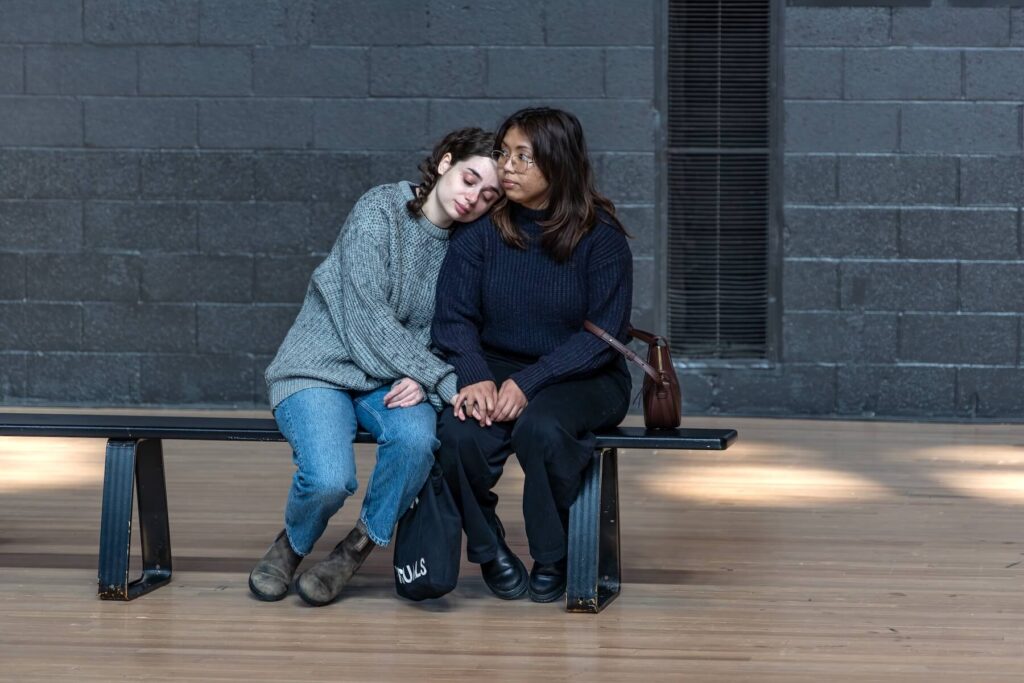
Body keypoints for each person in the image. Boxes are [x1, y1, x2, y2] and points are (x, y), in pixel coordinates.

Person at [249, 128, 501, 606]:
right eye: (470, 179)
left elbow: (459, 328)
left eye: (488, 195)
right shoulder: (380, 209)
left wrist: (423, 377)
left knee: (416, 441)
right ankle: (292, 545)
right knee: (328, 479)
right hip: (320, 368)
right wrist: (439, 380)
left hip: (395, 379)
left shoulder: (469, 248)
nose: (474, 199)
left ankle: (355, 549)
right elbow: (367, 317)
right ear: (446, 163)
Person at [431, 107, 633, 603]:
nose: (509, 166)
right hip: (497, 366)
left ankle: (554, 553)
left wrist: (531, 382)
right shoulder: (480, 233)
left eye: (524, 156)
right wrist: (475, 375)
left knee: (540, 428)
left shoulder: (600, 237)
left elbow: (604, 335)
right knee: (458, 434)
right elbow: (453, 319)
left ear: (558, 164)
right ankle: (488, 548)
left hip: (585, 372)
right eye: (504, 153)